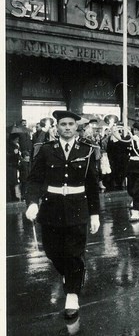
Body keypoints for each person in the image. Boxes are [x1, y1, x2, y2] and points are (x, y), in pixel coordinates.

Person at [25, 110, 101, 319]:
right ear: (56, 127)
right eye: (63, 124)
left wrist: (95, 214)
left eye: (70, 124)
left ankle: (72, 296)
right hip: (51, 209)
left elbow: (92, 185)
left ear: (76, 127)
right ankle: (71, 275)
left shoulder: (86, 150)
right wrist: (32, 203)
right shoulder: (46, 150)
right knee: (52, 251)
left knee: (74, 253)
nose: (67, 128)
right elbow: (34, 179)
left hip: (78, 208)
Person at [113, 122, 139, 221]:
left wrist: (138, 140)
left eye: (138, 130)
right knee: (130, 190)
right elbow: (120, 141)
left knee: (137, 190)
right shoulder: (130, 139)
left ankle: (135, 213)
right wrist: (114, 130)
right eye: (134, 130)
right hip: (132, 166)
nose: (135, 132)